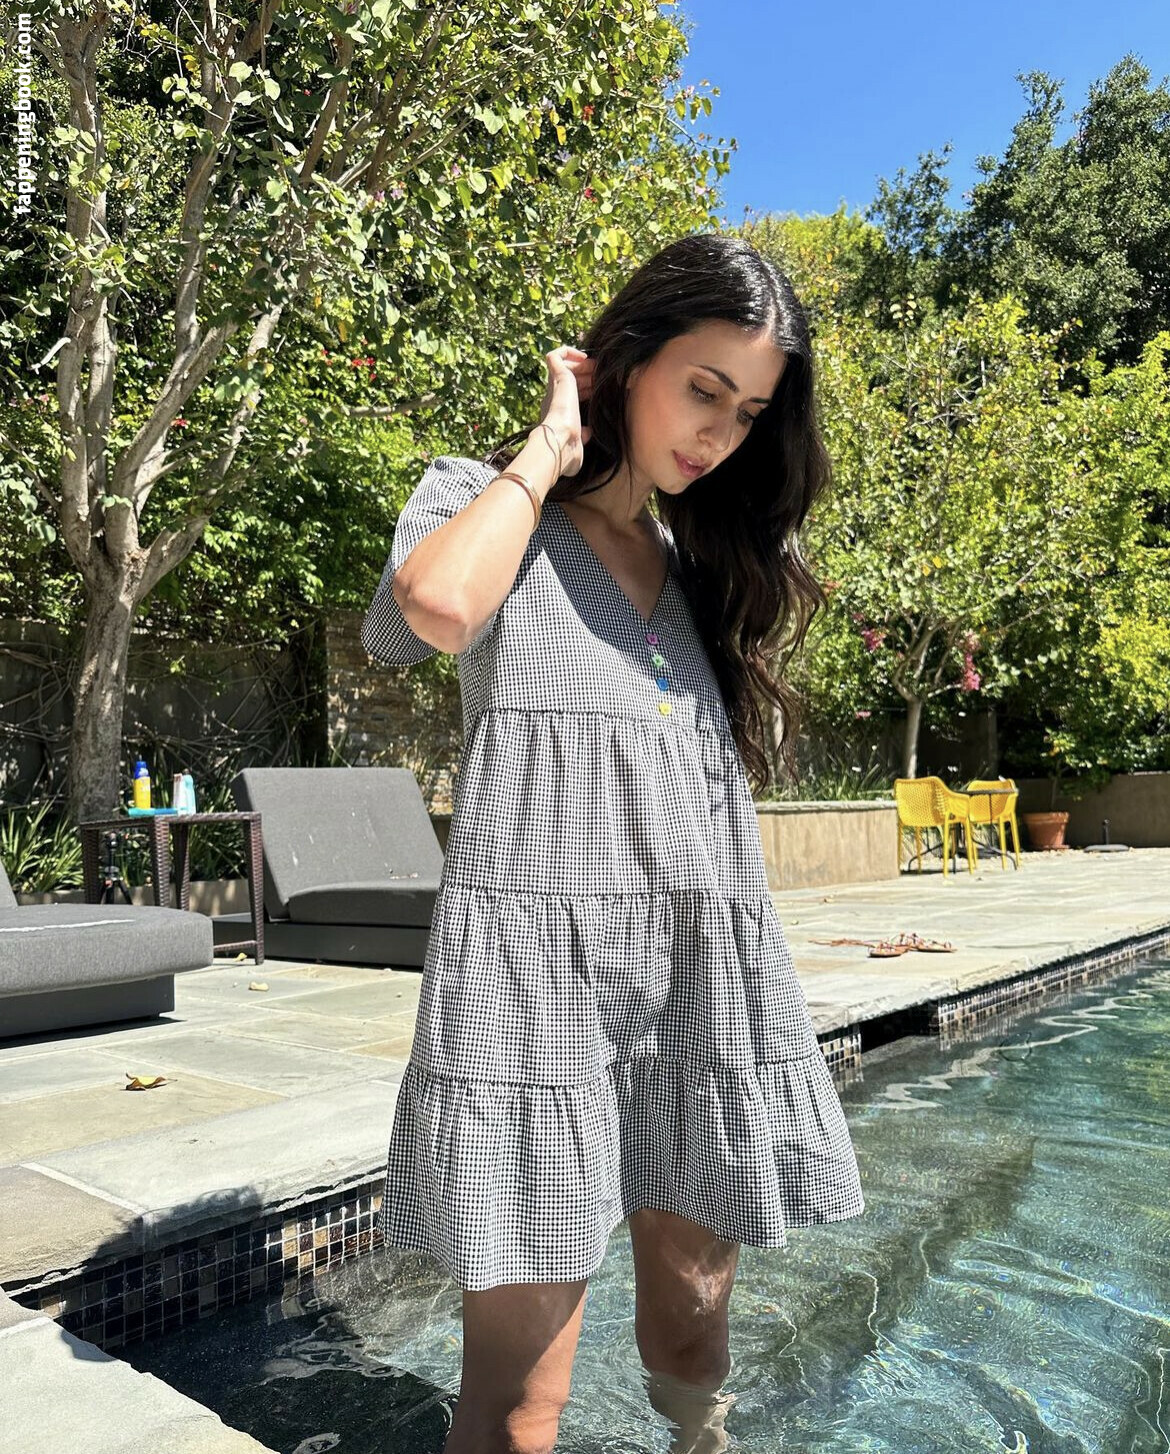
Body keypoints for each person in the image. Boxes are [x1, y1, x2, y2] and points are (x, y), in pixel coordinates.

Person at [361, 233, 865, 1454]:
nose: (718, 434)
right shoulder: (488, 504)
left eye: (748, 414)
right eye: (703, 389)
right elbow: (432, 610)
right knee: (520, 1405)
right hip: (535, 998)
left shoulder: (702, 567)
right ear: (628, 360)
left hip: (693, 989)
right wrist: (550, 444)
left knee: (692, 1344)